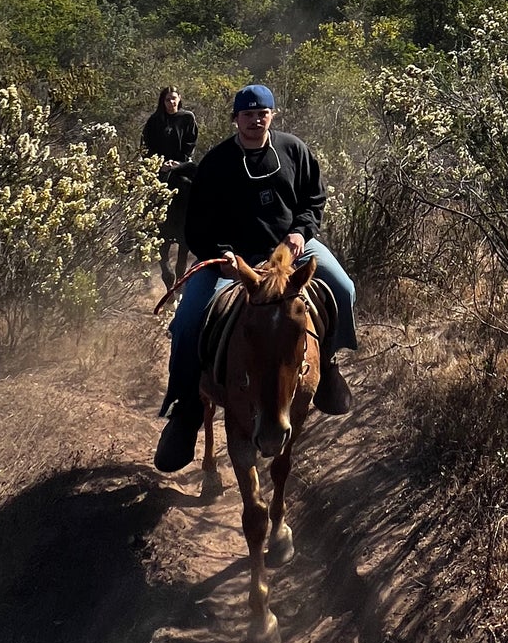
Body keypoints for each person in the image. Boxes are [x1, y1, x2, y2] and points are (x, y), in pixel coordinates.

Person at [154, 84, 358, 473]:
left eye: (262, 112)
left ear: (272, 115)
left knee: (343, 288)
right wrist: (221, 253)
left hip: (288, 251)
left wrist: (301, 231)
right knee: (187, 322)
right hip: (233, 260)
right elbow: (195, 225)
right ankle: (186, 410)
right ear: (235, 118)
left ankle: (328, 365)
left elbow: (314, 199)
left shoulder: (293, 149)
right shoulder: (215, 163)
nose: (255, 119)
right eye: (247, 113)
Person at [141, 85, 199, 287]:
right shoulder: (154, 121)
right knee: (147, 197)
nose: (171, 103)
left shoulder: (187, 118)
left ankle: (199, 231)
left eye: (174, 99)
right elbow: (146, 147)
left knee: (195, 188)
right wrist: (159, 163)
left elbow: (190, 144)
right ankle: (141, 232)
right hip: (158, 168)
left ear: (179, 99)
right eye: (167, 100)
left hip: (182, 165)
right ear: (162, 101)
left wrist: (179, 163)